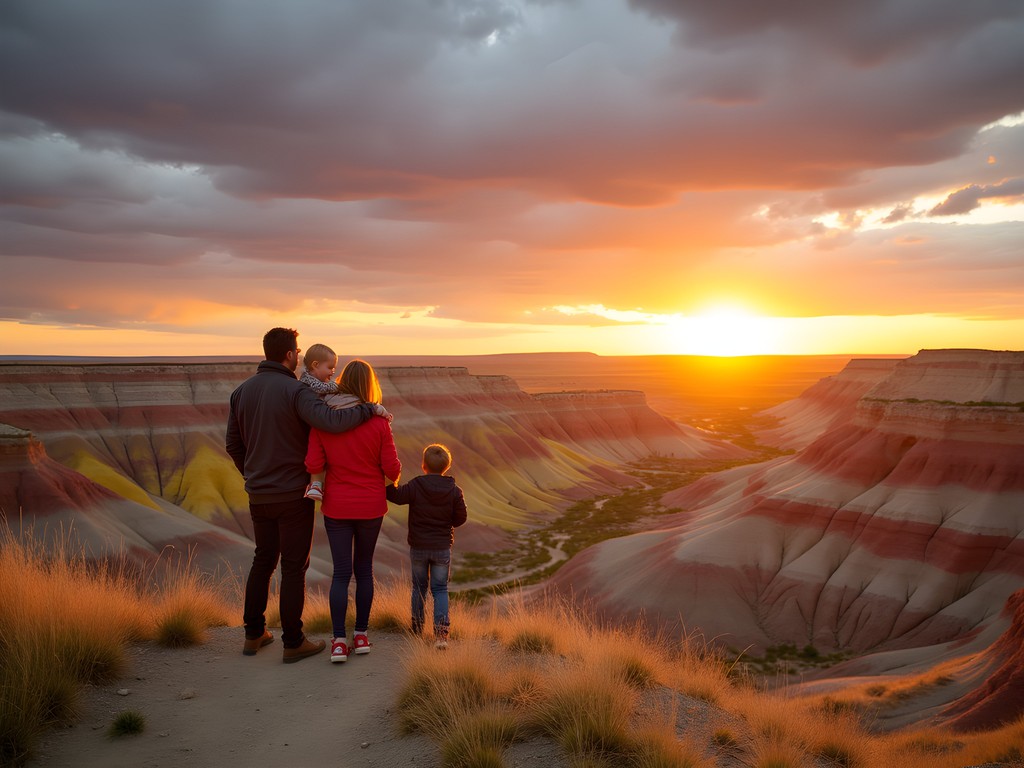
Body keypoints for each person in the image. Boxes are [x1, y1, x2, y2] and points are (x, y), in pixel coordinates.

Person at [226, 328, 385, 664]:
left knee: (263, 560)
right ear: (290, 355)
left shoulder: (240, 392)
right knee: (295, 566)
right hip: (292, 493)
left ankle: (254, 634)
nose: (298, 356)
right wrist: (369, 410)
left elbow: (233, 444)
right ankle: (293, 642)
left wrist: (253, 475)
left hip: (258, 493)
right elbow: (330, 421)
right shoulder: (295, 391)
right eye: (296, 352)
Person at [306, 359, 401, 663]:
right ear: (370, 385)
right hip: (371, 506)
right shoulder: (378, 422)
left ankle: (337, 641)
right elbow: (392, 468)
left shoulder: (324, 420)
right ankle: (360, 635)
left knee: (340, 573)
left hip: (337, 506)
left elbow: (313, 463)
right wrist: (390, 474)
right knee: (364, 571)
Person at [386, 443, 467, 649]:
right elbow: (460, 518)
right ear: (446, 467)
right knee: (440, 589)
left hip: (419, 546)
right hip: (441, 547)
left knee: (419, 588)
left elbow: (395, 495)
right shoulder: (454, 491)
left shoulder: (415, 485)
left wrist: (389, 478)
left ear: (424, 465)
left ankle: (416, 629)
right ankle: (441, 636)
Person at [297, 342, 340, 501]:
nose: (332, 372)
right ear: (315, 365)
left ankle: (317, 484)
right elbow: (324, 389)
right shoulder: (309, 382)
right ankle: (316, 484)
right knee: (317, 452)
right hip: (312, 425)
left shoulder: (312, 380)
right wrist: (338, 387)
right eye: (330, 367)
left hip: (314, 422)